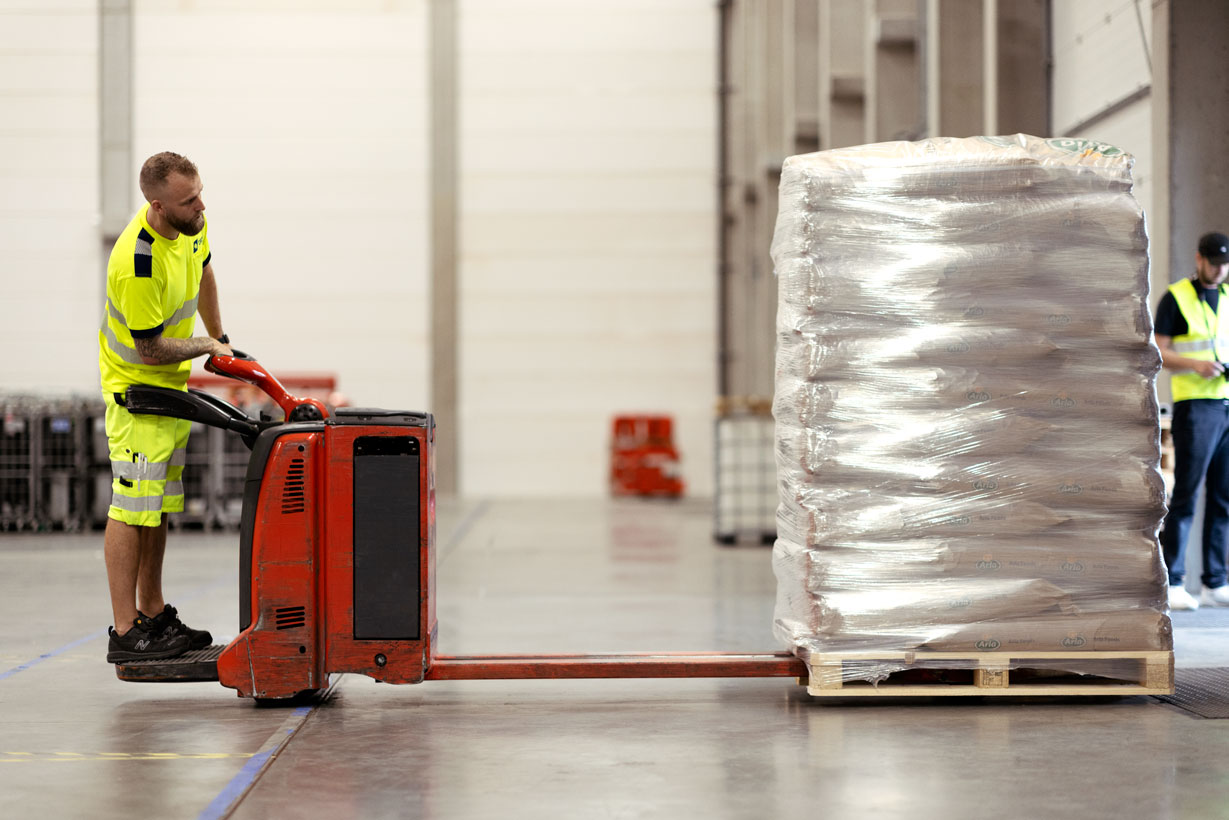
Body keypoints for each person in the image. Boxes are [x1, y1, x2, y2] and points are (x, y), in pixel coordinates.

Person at [98, 152, 233, 661]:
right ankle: (126, 631)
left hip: (168, 392)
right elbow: (150, 347)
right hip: (135, 391)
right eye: (188, 199)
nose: (200, 205)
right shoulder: (137, 261)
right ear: (157, 205)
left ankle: (152, 612)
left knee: (155, 508)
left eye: (200, 192)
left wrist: (222, 339)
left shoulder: (193, 223)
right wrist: (205, 348)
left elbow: (204, 272)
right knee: (130, 506)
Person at [1154, 231, 1229, 610]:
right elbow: (1158, 350)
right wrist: (1196, 365)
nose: (1218, 270)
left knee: (1224, 496)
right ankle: (1174, 580)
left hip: (1227, 402)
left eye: (1224, 264)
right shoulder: (1177, 297)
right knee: (1186, 492)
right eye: (1213, 262)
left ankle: (1216, 581)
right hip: (1196, 405)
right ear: (1199, 259)